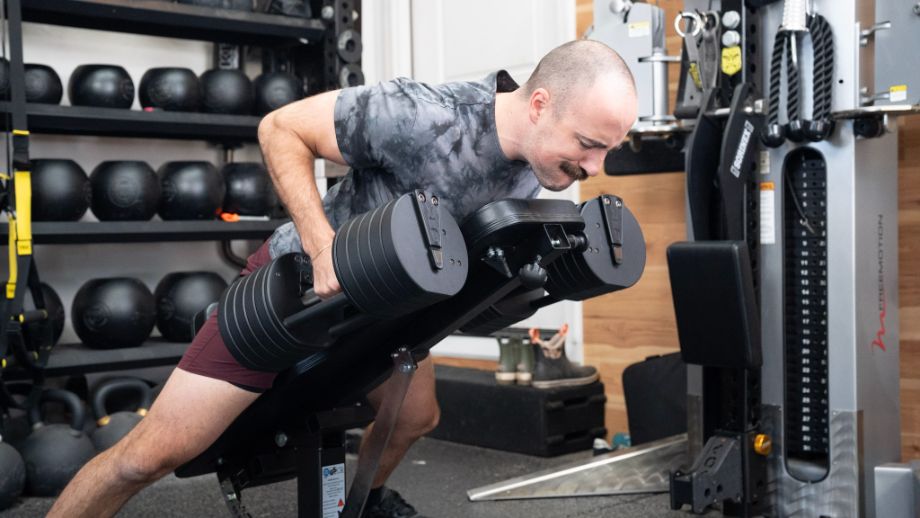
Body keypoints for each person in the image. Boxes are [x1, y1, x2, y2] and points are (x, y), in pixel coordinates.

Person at [48, 39, 638, 518]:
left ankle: (366, 502)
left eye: (605, 152)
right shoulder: (424, 113)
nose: (593, 169)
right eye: (588, 146)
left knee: (413, 418)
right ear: (539, 105)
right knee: (149, 457)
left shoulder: (538, 161)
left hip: (390, 302)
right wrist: (321, 244)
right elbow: (281, 128)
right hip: (298, 290)